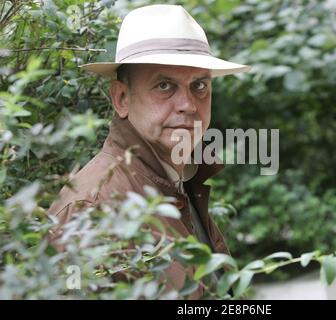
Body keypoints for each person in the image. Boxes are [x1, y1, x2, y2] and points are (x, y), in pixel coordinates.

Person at [47, 4, 251, 299]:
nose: (189, 105)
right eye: (165, 85)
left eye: (200, 86)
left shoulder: (180, 181)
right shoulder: (90, 209)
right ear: (121, 98)